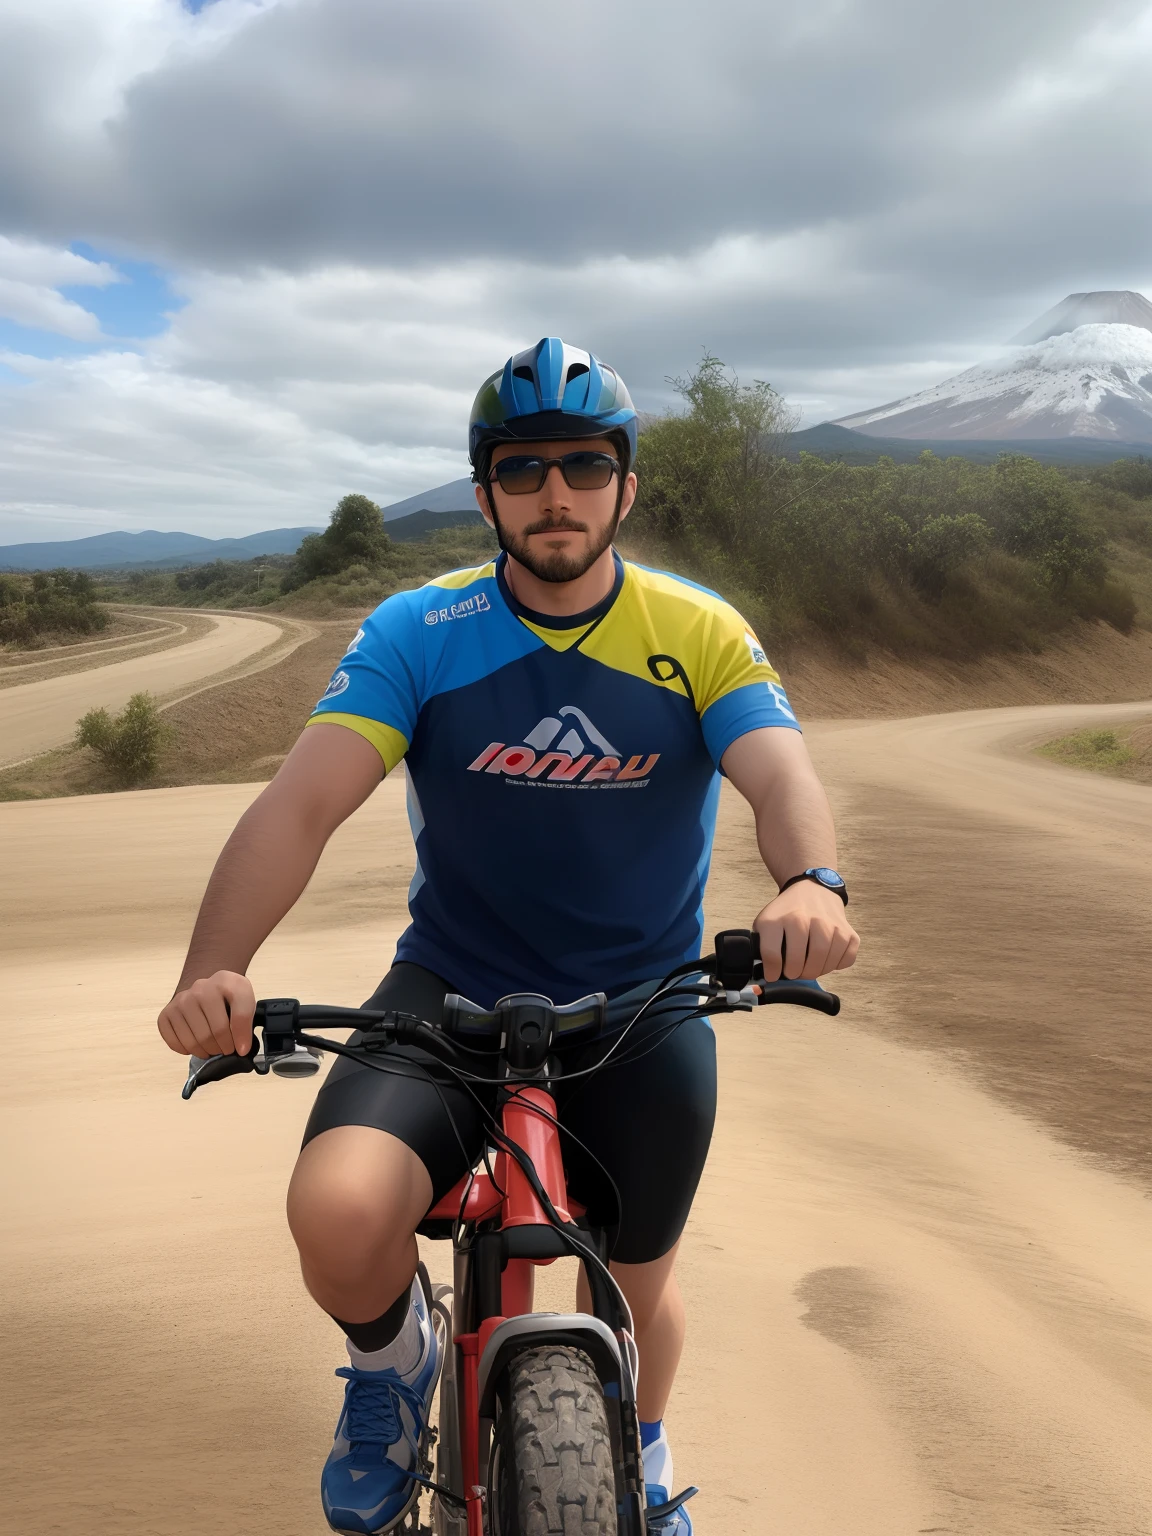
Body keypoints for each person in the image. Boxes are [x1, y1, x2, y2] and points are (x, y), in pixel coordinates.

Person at [158, 337, 860, 1535]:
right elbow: (301, 804)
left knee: (637, 1286)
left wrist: (813, 883)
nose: (556, 494)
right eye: (523, 468)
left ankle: (636, 1446)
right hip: (450, 991)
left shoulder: (695, 628)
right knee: (338, 1210)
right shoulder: (421, 630)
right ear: (485, 491)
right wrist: (212, 971)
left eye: (586, 466)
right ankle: (392, 1370)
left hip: (642, 1003)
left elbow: (777, 765)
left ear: (625, 487)